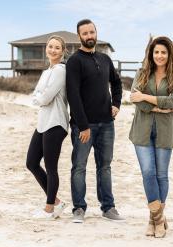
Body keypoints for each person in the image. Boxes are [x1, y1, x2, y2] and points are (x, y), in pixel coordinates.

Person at [66, 19, 124, 223]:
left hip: (107, 124)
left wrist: (116, 103)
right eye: (85, 33)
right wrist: (82, 126)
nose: (89, 36)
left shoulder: (105, 59)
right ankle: (79, 208)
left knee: (105, 166)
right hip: (84, 126)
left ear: (96, 32)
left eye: (92, 32)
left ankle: (108, 207)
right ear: (79, 36)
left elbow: (117, 83)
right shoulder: (74, 61)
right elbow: (73, 95)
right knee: (79, 166)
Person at [129, 36, 173, 237]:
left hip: (164, 133)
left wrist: (146, 97)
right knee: (148, 172)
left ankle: (153, 220)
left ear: (169, 55)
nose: (159, 55)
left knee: (162, 175)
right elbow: (135, 99)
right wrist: (158, 107)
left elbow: (172, 101)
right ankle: (159, 220)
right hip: (141, 131)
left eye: (163, 52)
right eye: (156, 52)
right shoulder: (142, 73)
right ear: (151, 54)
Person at [26, 35, 69, 220]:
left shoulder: (61, 70)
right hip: (43, 122)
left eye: (57, 47)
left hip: (56, 122)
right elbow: (35, 95)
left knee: (51, 167)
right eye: (50, 46)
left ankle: (50, 208)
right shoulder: (46, 72)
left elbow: (44, 98)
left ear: (62, 51)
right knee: (31, 162)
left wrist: (40, 97)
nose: (53, 50)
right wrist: (39, 97)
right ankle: (57, 202)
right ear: (46, 48)